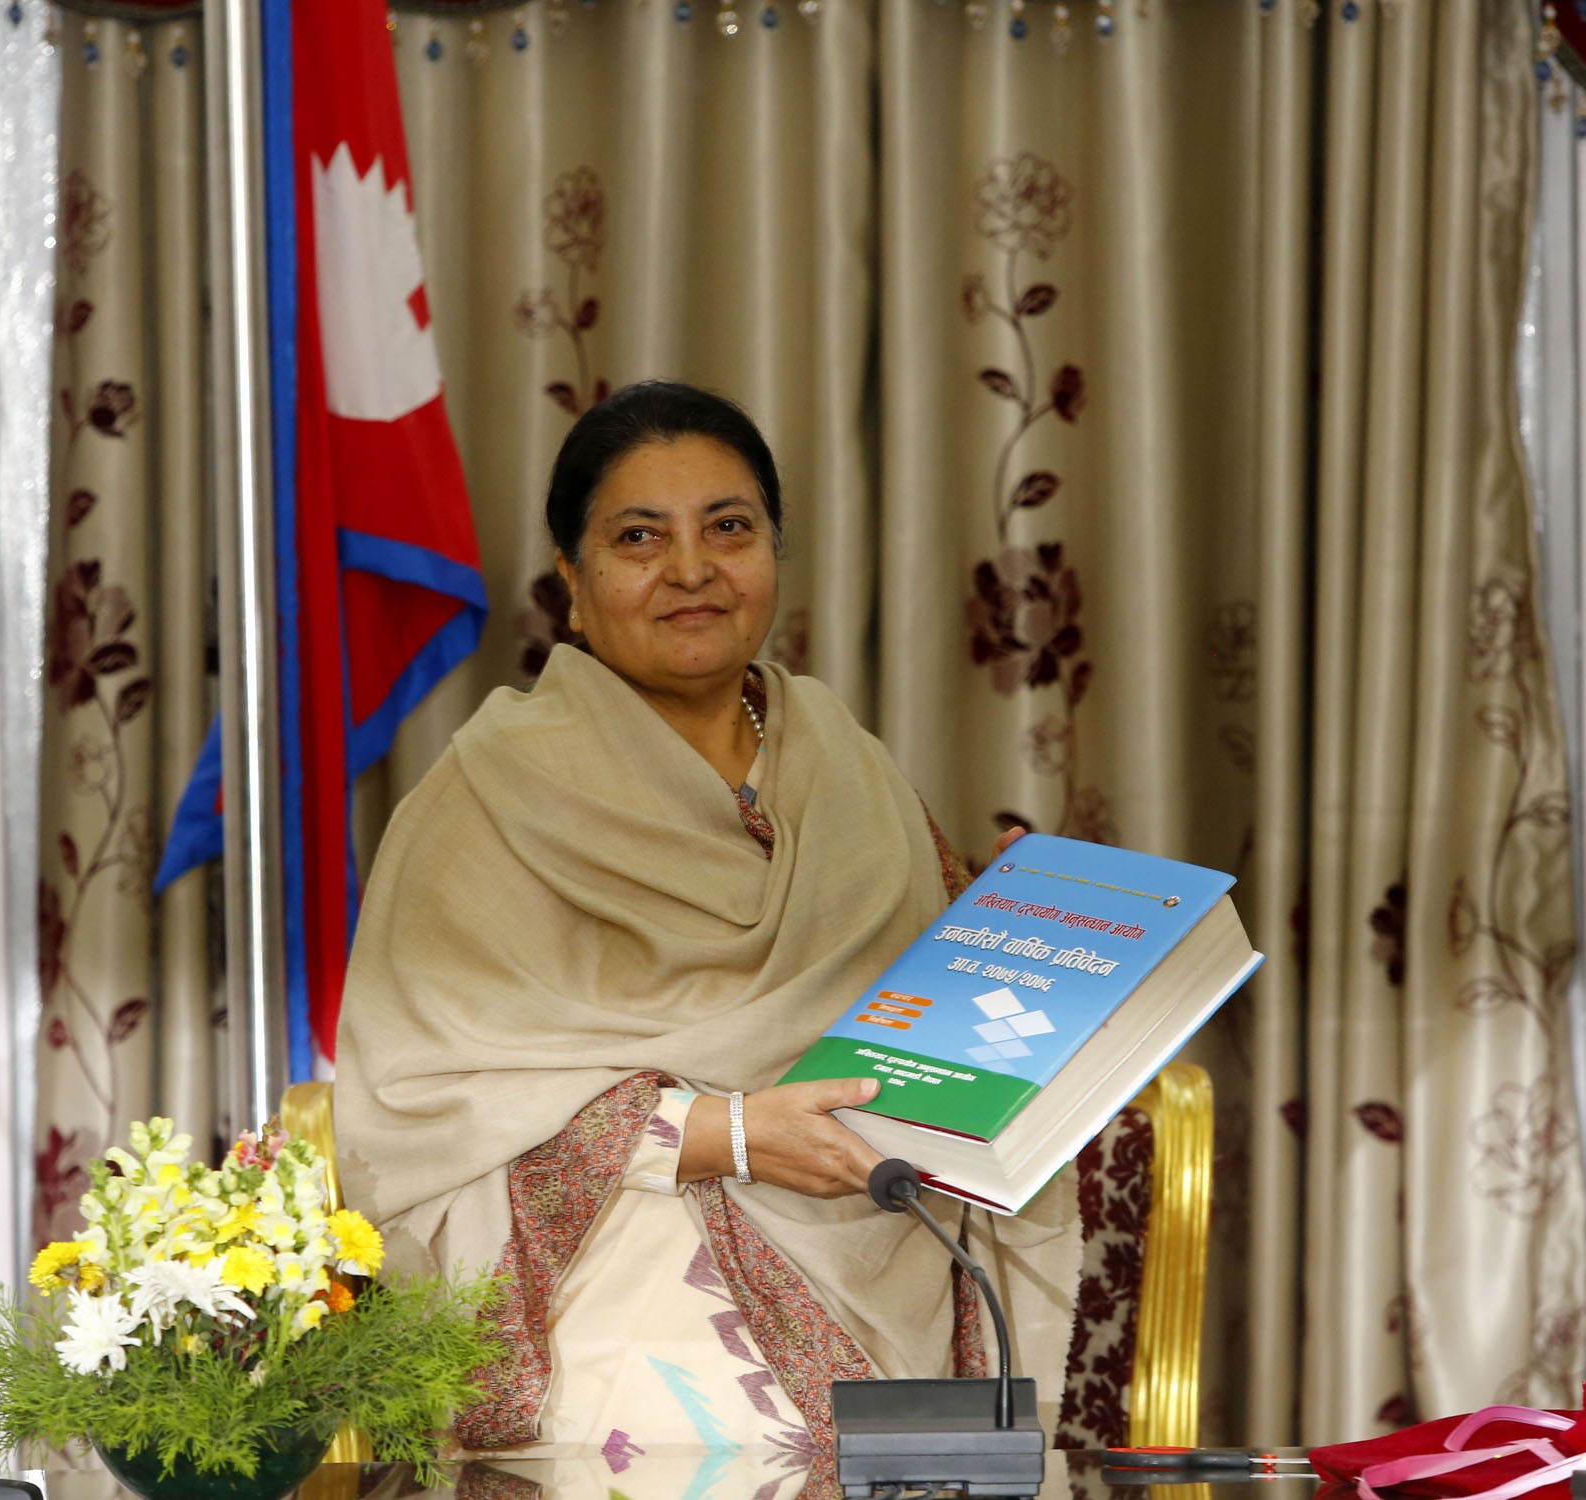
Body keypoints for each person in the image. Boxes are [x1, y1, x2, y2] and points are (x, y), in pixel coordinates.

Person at [335, 380, 1081, 1459]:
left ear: (775, 552)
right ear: (573, 584)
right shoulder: (487, 799)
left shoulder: (847, 762)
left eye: (729, 528)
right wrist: (726, 1136)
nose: (691, 569)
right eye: (640, 537)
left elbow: (922, 1031)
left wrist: (1015, 938)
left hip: (882, 1248)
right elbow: (421, 1107)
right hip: (629, 1274)